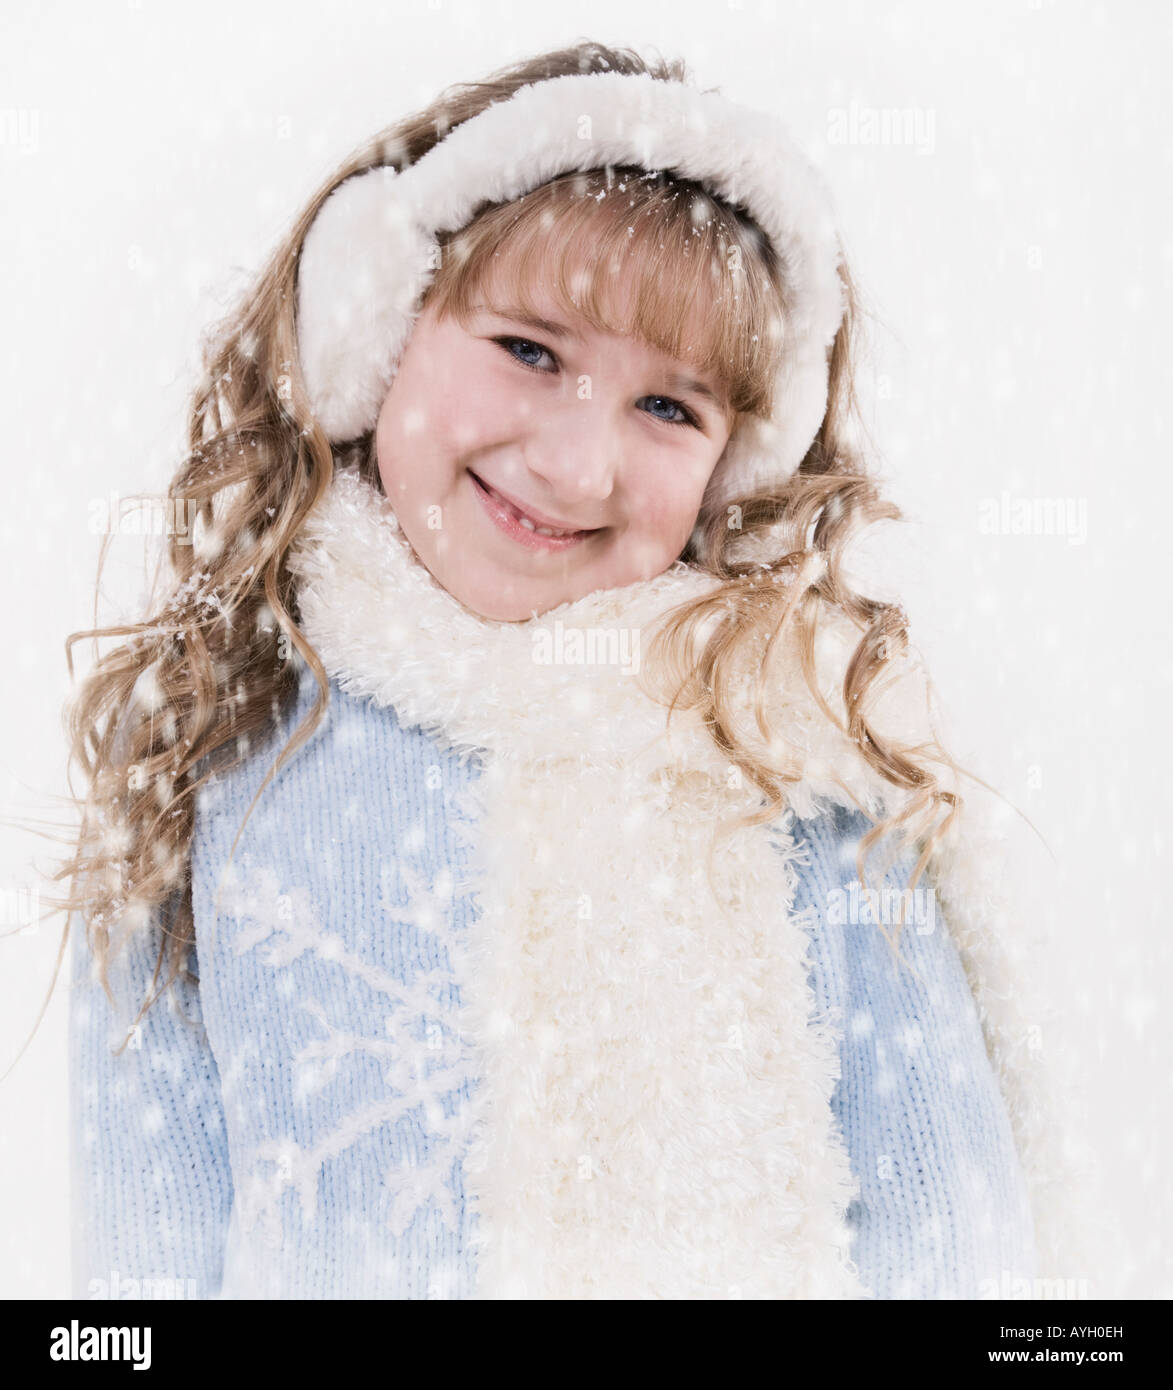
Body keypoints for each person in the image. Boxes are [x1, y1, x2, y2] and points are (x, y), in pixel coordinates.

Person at [55, 40, 1103, 1299]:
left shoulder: (786, 752)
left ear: (731, 467)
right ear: (374, 331)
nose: (574, 465)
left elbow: (954, 1238)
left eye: (669, 409)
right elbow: (138, 1262)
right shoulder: (218, 743)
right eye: (530, 350)